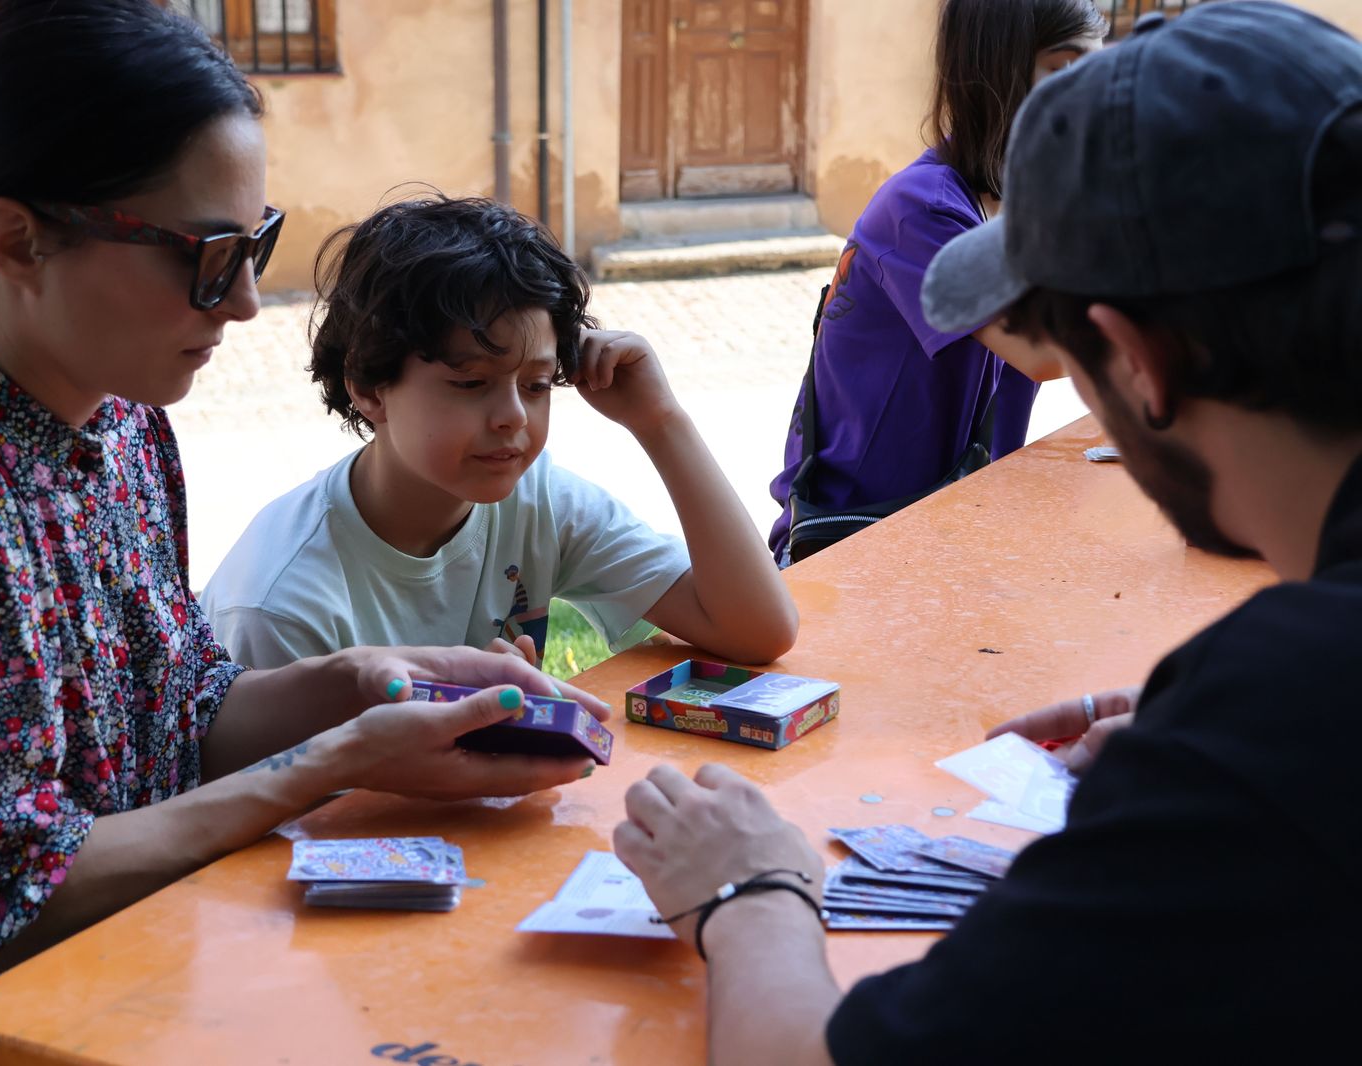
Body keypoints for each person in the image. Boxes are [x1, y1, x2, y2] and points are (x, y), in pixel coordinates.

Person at [0, 2, 605, 1059]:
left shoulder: (120, 426)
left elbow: (180, 719)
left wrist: (367, 682)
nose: (245, 302)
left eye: (256, 246)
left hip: (123, 998)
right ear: (18, 241)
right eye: (208, 256)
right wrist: (330, 761)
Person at [615, 3, 1361, 1061]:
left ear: (1137, 363)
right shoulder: (1282, 710)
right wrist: (1206, 744)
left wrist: (749, 891)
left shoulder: (1286, 711)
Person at [202, 195, 798, 670]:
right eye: (470, 383)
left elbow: (757, 630)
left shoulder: (538, 503)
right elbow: (275, 788)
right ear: (368, 386)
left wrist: (661, 423)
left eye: (536, 385)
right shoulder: (279, 606)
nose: (513, 416)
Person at [766, 0, 1106, 564]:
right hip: (852, 542)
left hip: (947, 529)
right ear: (997, 72)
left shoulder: (1021, 206)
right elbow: (1045, 350)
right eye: (1062, 70)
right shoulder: (922, 210)